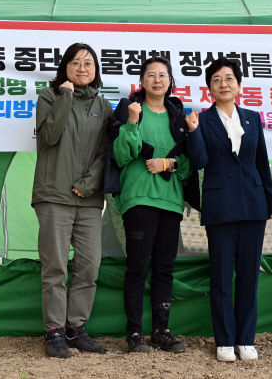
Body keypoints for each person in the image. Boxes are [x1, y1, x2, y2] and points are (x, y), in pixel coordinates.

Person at [185, 58, 272, 363]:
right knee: (222, 276)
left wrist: (271, 202)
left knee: (249, 276)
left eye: (229, 78)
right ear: (209, 87)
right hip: (220, 206)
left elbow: (262, 163)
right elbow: (199, 161)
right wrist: (193, 132)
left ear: (239, 84)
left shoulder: (252, 118)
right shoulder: (202, 119)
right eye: (216, 79)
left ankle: (245, 338)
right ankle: (224, 339)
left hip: (253, 204)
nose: (223, 84)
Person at [107, 56, 198, 354]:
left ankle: (162, 330)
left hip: (171, 201)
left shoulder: (178, 115)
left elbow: (187, 164)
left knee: (164, 268)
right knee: (137, 267)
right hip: (138, 198)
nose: (157, 80)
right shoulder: (130, 110)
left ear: (171, 81)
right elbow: (121, 155)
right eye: (151, 75)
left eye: (163, 75)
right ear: (142, 81)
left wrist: (167, 163)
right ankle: (134, 333)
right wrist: (132, 123)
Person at [32, 42, 113, 358]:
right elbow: (49, 137)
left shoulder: (103, 106)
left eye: (89, 63)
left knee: (89, 266)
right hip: (53, 196)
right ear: (65, 67)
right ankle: (54, 333)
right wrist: (64, 96)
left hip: (89, 200)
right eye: (76, 62)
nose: (83, 67)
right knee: (55, 267)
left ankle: (75, 329)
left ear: (96, 70)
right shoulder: (49, 97)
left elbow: (106, 153)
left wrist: (89, 184)